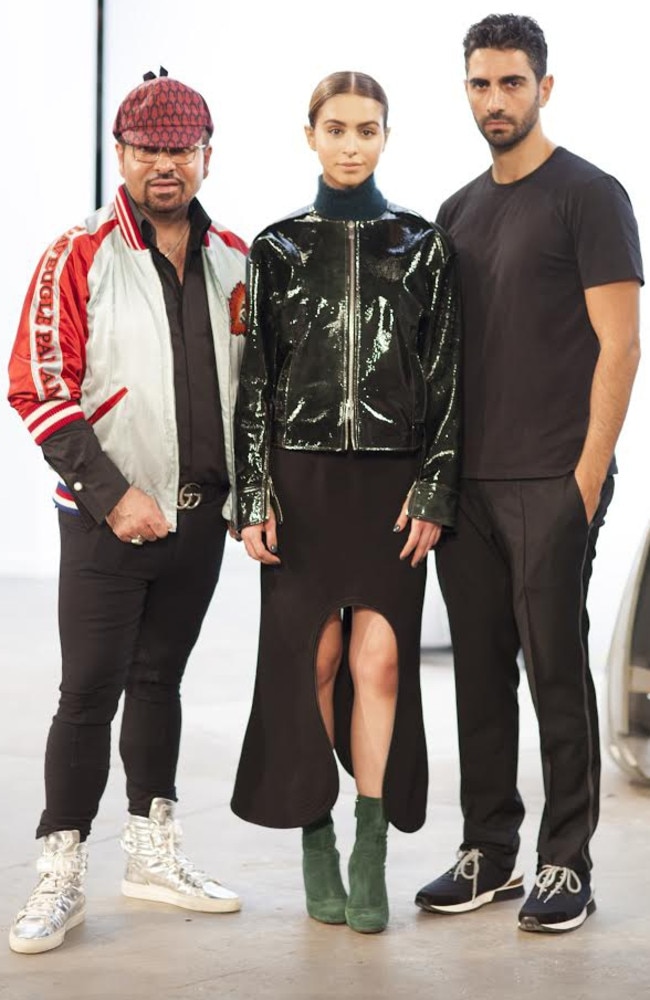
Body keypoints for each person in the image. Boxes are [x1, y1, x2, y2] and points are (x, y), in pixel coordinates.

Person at [6, 69, 248, 954]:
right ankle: (59, 871)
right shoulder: (78, 254)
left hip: (198, 521)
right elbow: (37, 386)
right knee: (88, 693)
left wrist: (243, 500)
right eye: (147, 149)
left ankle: (152, 852)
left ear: (206, 156)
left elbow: (250, 396)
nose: (164, 165)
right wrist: (114, 498)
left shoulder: (237, 261)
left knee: (159, 683)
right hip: (106, 521)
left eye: (181, 150)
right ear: (121, 153)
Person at [415, 14, 643, 933]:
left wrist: (584, 481)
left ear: (544, 88)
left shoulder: (590, 195)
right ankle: (490, 851)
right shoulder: (458, 212)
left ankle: (566, 861)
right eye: (480, 84)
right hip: (467, 485)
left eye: (511, 83)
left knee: (556, 672)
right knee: (477, 676)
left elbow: (621, 348)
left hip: (553, 476)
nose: (495, 100)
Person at [231, 70, 460, 935]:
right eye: (336, 128)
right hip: (300, 482)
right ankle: (316, 837)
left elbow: (445, 381)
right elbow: (254, 385)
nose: (352, 143)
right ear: (311, 135)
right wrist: (252, 491)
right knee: (314, 666)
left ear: (386, 137)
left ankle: (372, 846)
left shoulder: (423, 247)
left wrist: (435, 485)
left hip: (392, 487)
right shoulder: (277, 248)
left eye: (367, 129)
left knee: (381, 665)